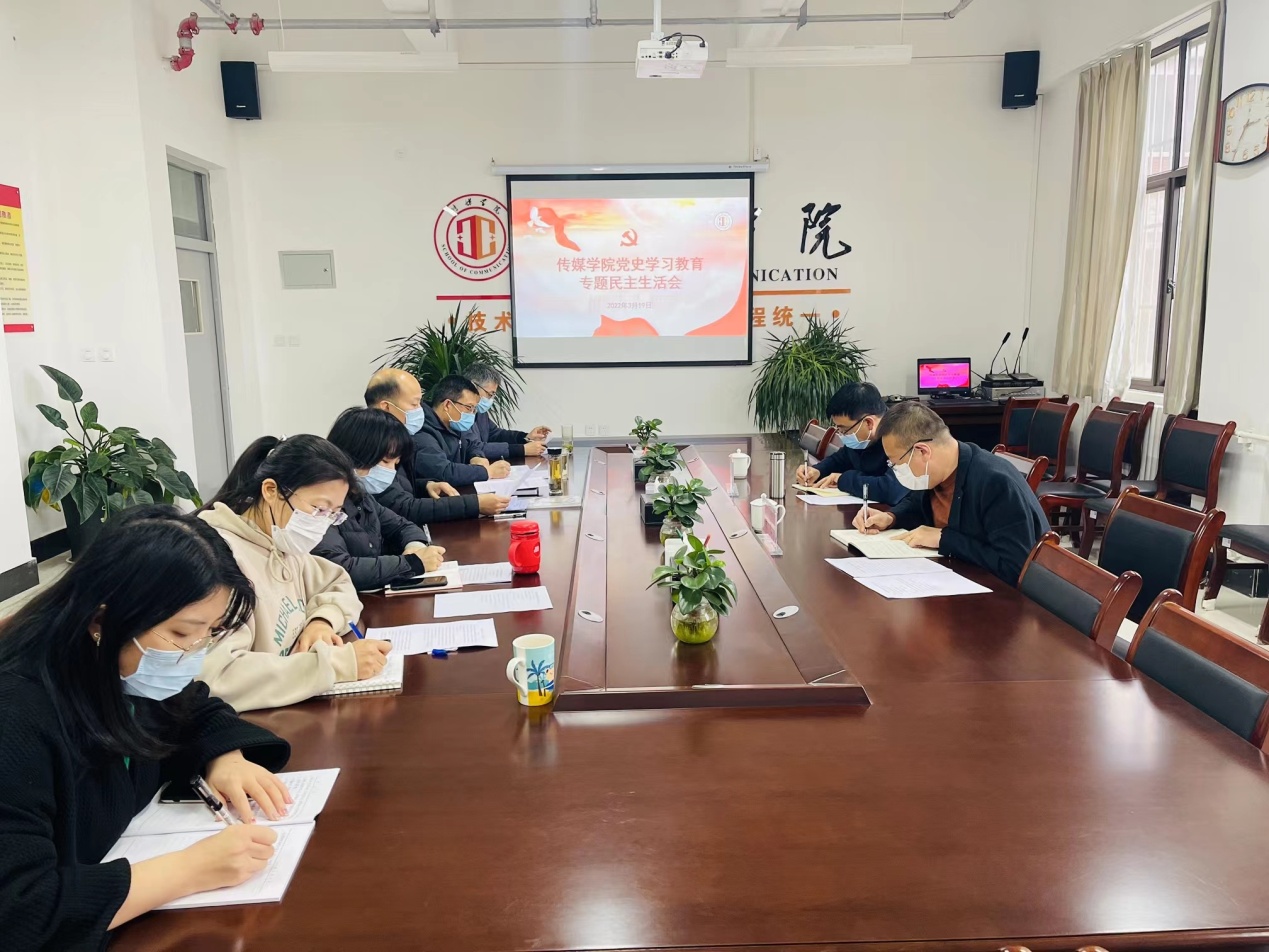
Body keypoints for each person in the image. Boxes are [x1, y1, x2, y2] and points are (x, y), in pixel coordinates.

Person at [0, 507, 293, 950]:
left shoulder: (117, 668)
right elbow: (19, 910)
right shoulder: (18, 714)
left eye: (209, 632)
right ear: (100, 621)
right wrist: (188, 870)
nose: (194, 653)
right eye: (182, 633)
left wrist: (226, 757)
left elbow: (195, 709)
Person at [198, 435, 392, 711]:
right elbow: (218, 677)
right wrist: (336, 665)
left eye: (334, 514)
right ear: (271, 491)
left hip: (293, 708)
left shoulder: (282, 542)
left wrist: (322, 621)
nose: (322, 524)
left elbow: (337, 582)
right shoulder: (218, 559)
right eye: (318, 508)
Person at [852, 401, 1047, 585]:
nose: (895, 469)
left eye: (896, 463)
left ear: (922, 451)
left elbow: (1014, 568)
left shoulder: (995, 484)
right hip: (953, 578)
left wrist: (944, 539)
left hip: (1001, 598)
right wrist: (890, 517)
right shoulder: (937, 473)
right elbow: (916, 504)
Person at [317, 407, 448, 591]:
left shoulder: (360, 495)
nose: (391, 471)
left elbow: (403, 526)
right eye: (385, 461)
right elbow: (339, 569)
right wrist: (412, 563)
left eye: (395, 463)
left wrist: (414, 546)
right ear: (354, 454)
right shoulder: (321, 504)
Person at [365, 368, 510, 517]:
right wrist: (475, 504)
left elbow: (402, 486)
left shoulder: (397, 437)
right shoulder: (370, 444)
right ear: (386, 407)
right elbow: (403, 507)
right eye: (414, 404)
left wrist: (426, 485)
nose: (421, 410)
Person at [794, 382, 907, 505]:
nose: (842, 435)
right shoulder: (861, 439)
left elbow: (891, 490)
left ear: (868, 423)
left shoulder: (902, 435)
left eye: (844, 430)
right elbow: (841, 458)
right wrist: (818, 470)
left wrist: (843, 479)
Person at [414, 374, 515, 488]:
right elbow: (444, 472)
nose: (472, 414)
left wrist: (476, 456)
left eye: (474, 409)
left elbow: (471, 444)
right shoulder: (422, 431)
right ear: (447, 405)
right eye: (469, 407)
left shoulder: (454, 423)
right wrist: (488, 472)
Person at [462, 361, 551, 463]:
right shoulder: (460, 414)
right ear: (473, 386)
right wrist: (521, 449)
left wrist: (525, 437)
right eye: (490, 394)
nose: (491, 399)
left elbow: (495, 434)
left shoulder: (480, 411)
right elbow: (475, 447)